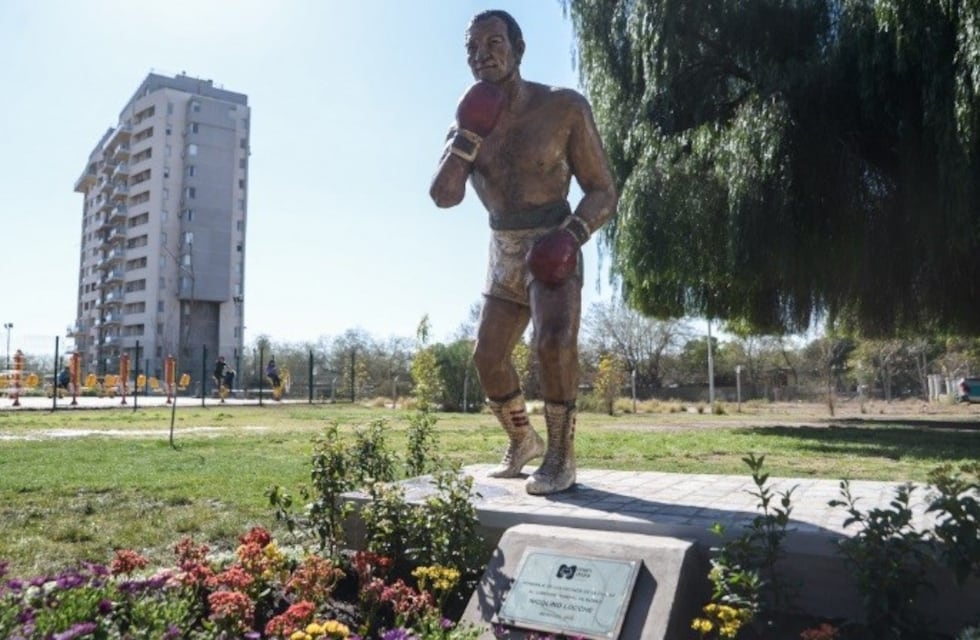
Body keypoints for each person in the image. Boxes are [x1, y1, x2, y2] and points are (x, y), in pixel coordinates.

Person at [429, 10, 617, 494]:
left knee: (552, 343)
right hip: (504, 245)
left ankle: (561, 455)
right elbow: (444, 195)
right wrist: (468, 137)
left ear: (518, 47)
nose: (481, 54)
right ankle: (523, 439)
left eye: (493, 42)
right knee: (487, 357)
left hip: (555, 233)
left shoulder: (564, 107)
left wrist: (572, 234)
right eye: (471, 48)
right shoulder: (468, 118)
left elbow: (603, 191)